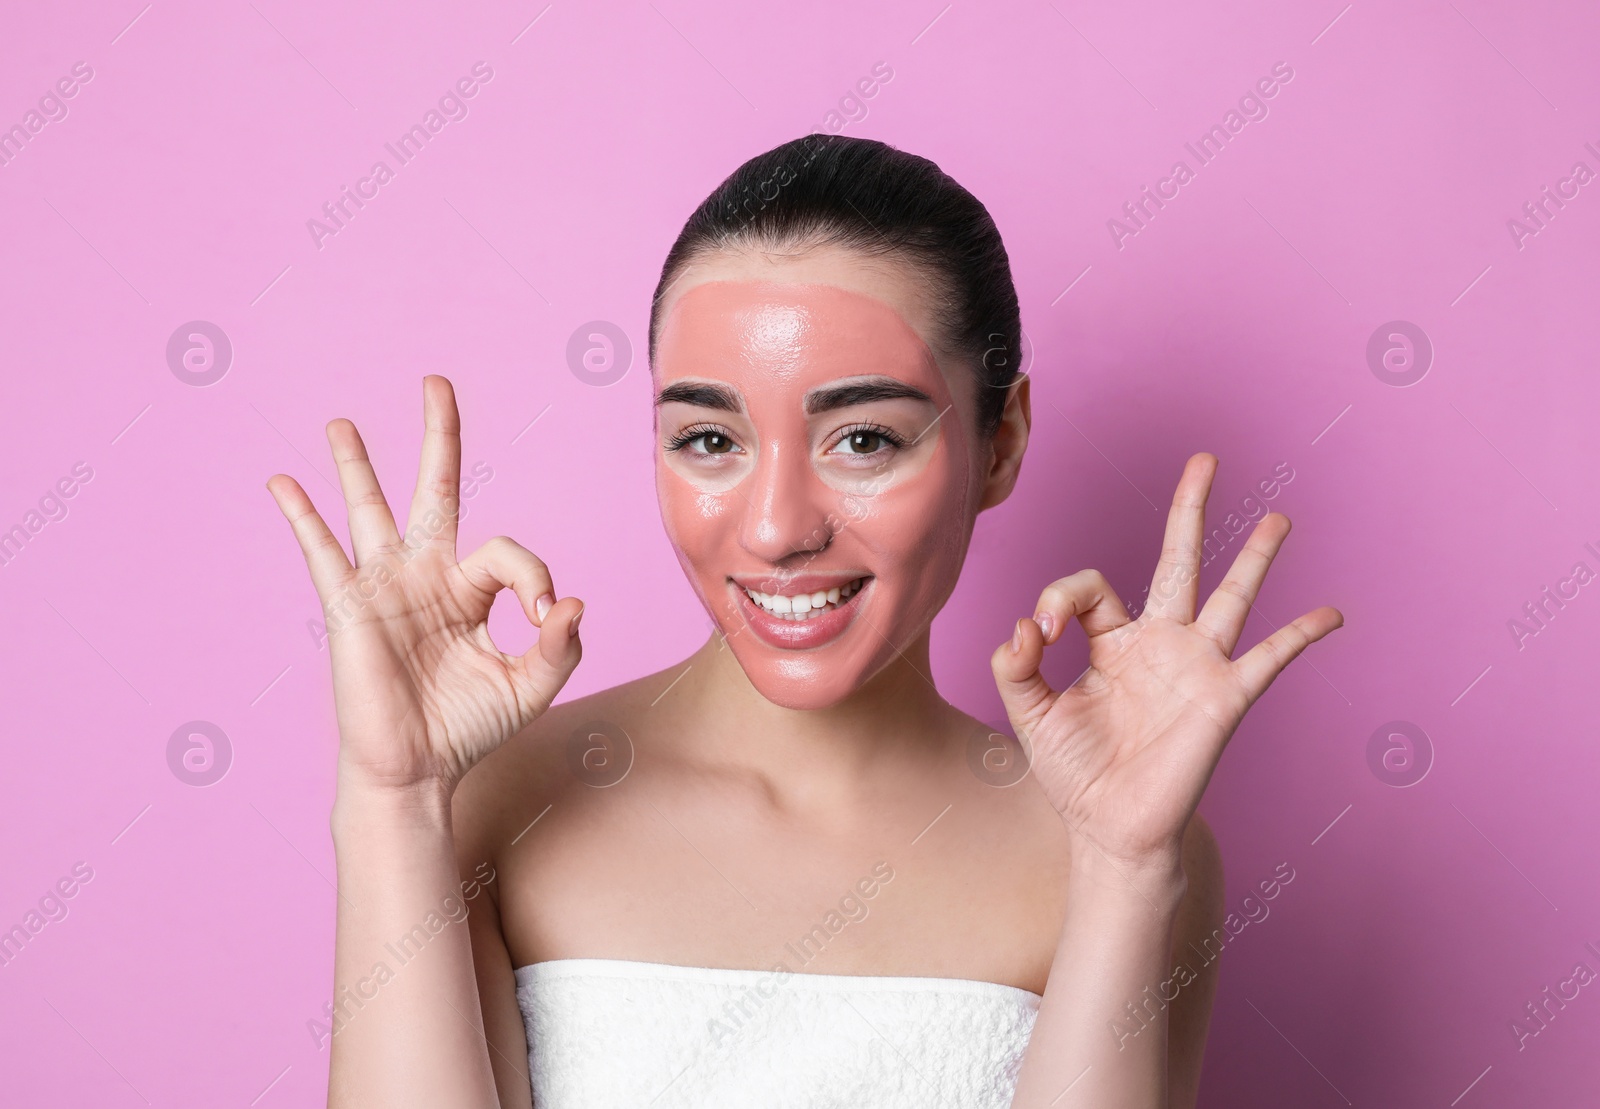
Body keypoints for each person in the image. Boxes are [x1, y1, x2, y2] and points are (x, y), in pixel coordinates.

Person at [266, 133, 1342, 1108]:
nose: (777, 527)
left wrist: (1122, 869)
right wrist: (391, 801)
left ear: (1001, 440)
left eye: (863, 439)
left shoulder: (1125, 847)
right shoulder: (495, 802)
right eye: (708, 440)